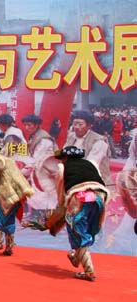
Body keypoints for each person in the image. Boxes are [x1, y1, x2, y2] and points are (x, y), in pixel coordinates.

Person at [53, 146, 109, 281]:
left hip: (78, 197)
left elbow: (61, 191)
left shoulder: (63, 168)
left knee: (78, 232)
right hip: (99, 196)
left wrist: (60, 209)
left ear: (65, 157)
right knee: (87, 230)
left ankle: (89, 271)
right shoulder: (92, 164)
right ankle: (77, 256)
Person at [21, 114, 58, 219]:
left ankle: (48, 219)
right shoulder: (34, 136)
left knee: (45, 195)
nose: (27, 127)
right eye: (25, 125)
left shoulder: (43, 139)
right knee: (38, 195)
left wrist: (22, 172)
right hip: (39, 169)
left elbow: (36, 159)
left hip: (46, 170)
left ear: (36, 125)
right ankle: (39, 216)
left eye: (29, 125)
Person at [64, 110, 111, 185]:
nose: (76, 127)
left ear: (89, 126)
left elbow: (90, 165)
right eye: (74, 124)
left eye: (80, 124)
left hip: (95, 182)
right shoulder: (71, 136)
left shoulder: (99, 141)